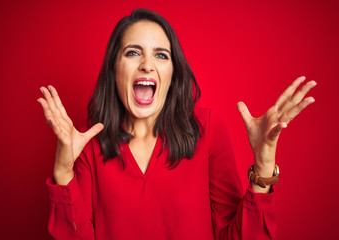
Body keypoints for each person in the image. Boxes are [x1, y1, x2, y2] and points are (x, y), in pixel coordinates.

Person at [37, 8, 316, 240]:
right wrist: (63, 170)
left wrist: (264, 165)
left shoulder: (207, 129)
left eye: (161, 55)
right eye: (133, 52)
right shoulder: (89, 142)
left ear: (172, 74)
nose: (147, 64)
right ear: (114, 68)